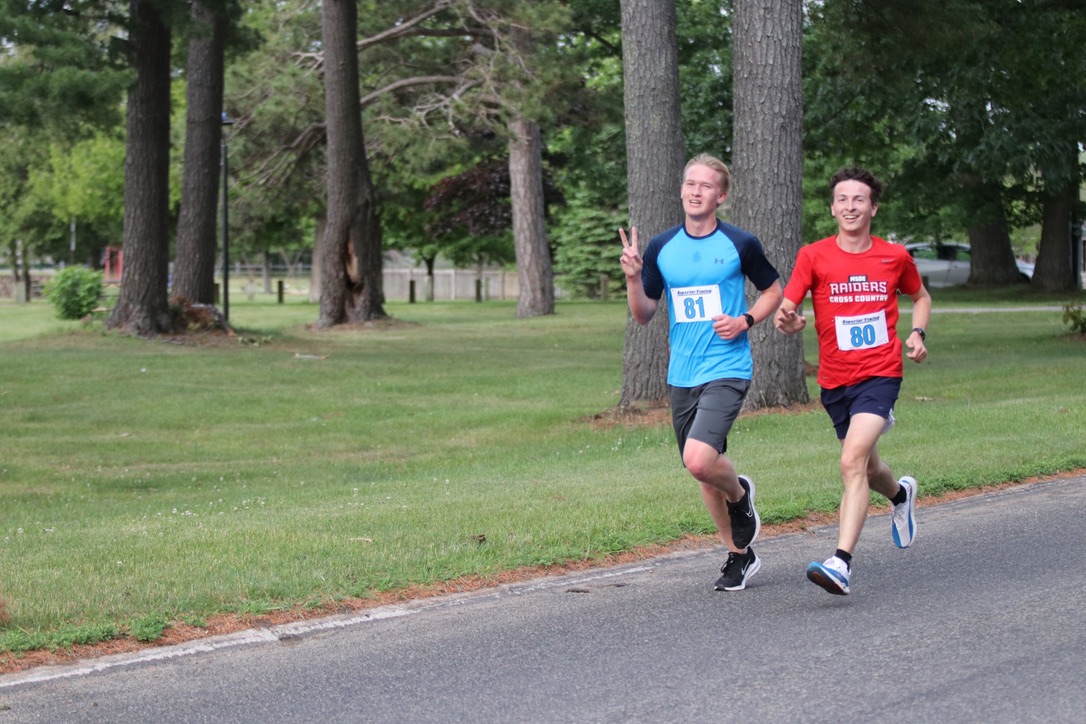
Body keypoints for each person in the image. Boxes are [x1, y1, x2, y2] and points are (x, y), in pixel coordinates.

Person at [620, 153, 783, 592]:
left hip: (727, 365)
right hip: (682, 373)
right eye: (690, 183)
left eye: (706, 185)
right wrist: (634, 278)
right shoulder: (662, 248)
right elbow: (643, 314)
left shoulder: (739, 243)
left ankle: (740, 496)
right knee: (702, 468)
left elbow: (773, 289)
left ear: (721, 196)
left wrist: (745, 320)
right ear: (681, 190)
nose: (696, 191)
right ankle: (738, 556)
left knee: (698, 458)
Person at [774, 167, 932, 596]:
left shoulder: (894, 256)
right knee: (868, 467)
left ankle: (841, 563)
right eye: (842, 199)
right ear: (832, 208)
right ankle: (900, 496)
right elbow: (786, 310)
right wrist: (788, 320)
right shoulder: (814, 255)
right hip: (835, 381)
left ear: (873, 207)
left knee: (850, 463)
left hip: (880, 374)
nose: (849, 206)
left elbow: (920, 296)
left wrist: (917, 333)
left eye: (858, 199)